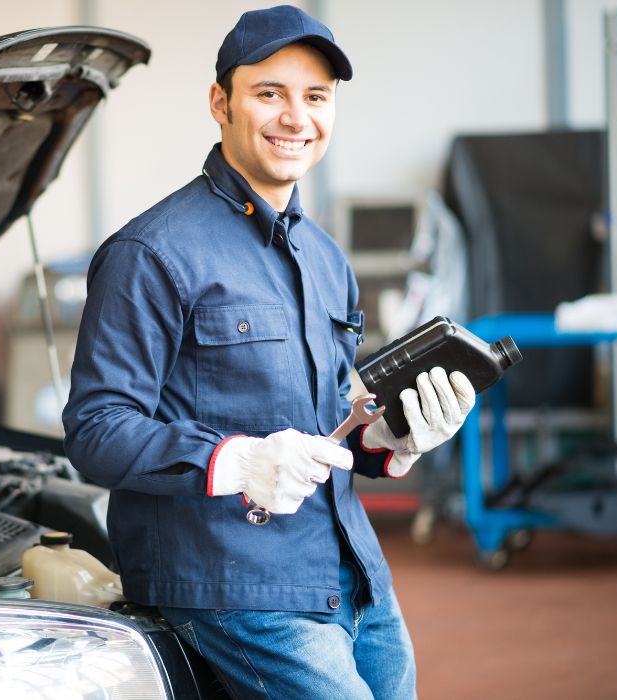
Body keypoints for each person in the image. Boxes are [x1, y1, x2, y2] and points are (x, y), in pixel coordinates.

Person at [63, 5, 475, 698]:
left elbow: (330, 418)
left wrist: (391, 439)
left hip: (351, 572)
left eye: (316, 97)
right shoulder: (150, 254)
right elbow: (96, 430)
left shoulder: (325, 258)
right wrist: (239, 462)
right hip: (234, 585)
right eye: (269, 93)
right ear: (220, 103)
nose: (296, 117)